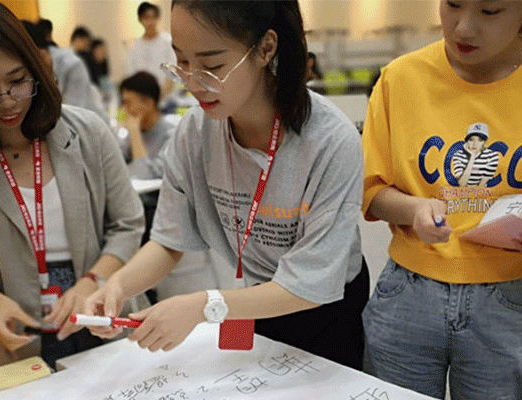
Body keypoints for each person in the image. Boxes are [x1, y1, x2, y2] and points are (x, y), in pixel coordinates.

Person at [86, 0, 368, 370]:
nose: (191, 82)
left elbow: (310, 285)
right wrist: (118, 285)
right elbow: (169, 240)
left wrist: (203, 306)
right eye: (181, 62)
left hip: (325, 306)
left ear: (266, 48)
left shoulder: (330, 142)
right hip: (252, 299)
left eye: (212, 65)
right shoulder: (195, 133)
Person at [0, 1, 146, 368]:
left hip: (102, 312)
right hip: (22, 333)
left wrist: (91, 282)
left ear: (36, 70)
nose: (8, 101)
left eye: (17, 81)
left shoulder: (87, 132)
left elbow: (128, 224)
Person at [361, 0, 522, 398]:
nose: (463, 28)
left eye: (491, 11)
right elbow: (371, 190)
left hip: (509, 297)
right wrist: (414, 209)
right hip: (408, 292)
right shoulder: (401, 78)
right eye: (452, 4)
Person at [118, 72, 174, 180]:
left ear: (149, 103)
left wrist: (134, 132)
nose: (124, 109)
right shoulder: (128, 136)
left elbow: (144, 175)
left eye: (128, 103)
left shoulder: (171, 135)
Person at [126, 2, 177, 103]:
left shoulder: (167, 42)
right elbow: (131, 73)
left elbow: (172, 71)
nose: (150, 22)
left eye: (153, 17)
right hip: (142, 99)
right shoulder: (136, 45)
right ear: (141, 19)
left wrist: (159, 95)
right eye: (147, 18)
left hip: (165, 98)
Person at [452, 122, 499, 187]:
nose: (474, 144)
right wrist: (472, 157)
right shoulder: (459, 155)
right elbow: (462, 183)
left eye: (480, 140)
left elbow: (481, 185)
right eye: (471, 140)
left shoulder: (492, 156)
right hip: (462, 194)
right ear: (467, 141)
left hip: (481, 194)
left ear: (485, 142)